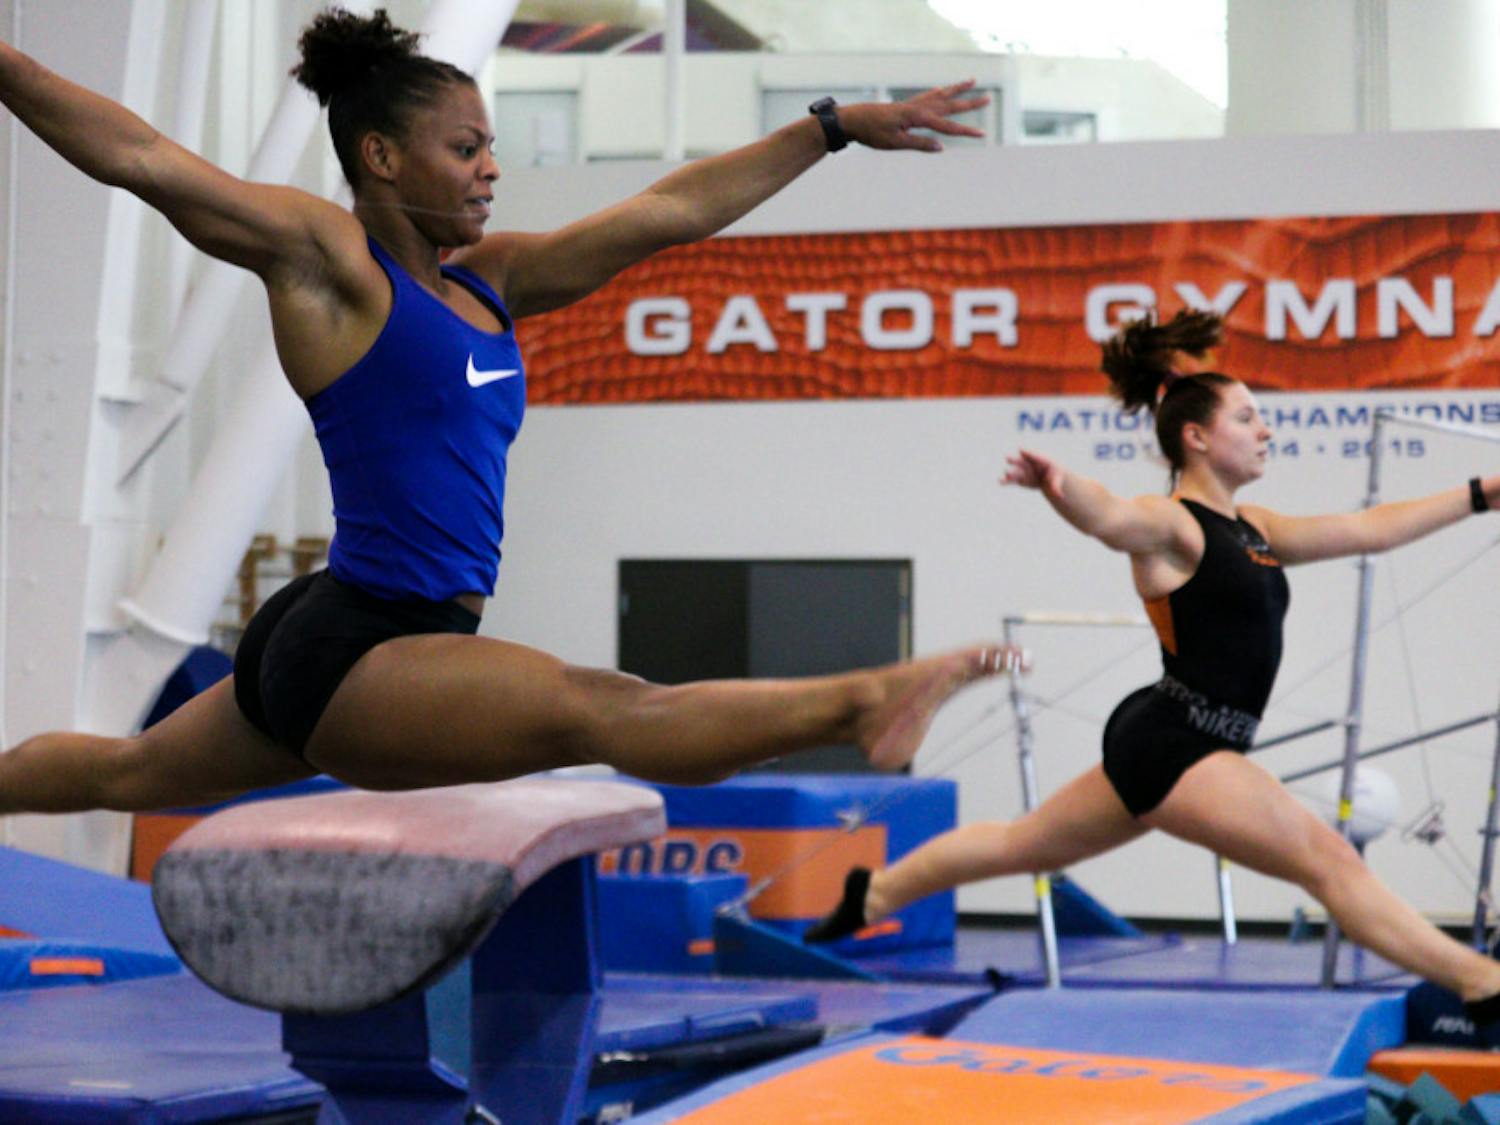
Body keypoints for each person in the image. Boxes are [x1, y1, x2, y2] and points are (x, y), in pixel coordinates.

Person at [0, 9, 1023, 819]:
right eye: (465, 148)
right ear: (382, 158)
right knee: (605, 710)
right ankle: (860, 698)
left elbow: (669, 213)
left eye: (491, 145)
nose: (492, 167)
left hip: (338, 629)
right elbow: (139, 156)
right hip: (362, 649)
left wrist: (828, 129)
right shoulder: (331, 266)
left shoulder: (492, 282)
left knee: (127, 773)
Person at [806, 307, 1500, 1038]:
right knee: (1329, 860)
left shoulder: (1258, 528)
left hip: (1170, 741)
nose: (1266, 429)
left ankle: (872, 893)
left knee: (1021, 844)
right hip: (1182, 741)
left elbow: (1371, 529)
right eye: (1248, 416)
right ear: (1197, 436)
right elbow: (1110, 517)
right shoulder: (1173, 525)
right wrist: (1058, 484)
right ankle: (1480, 980)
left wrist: (1481, 493)